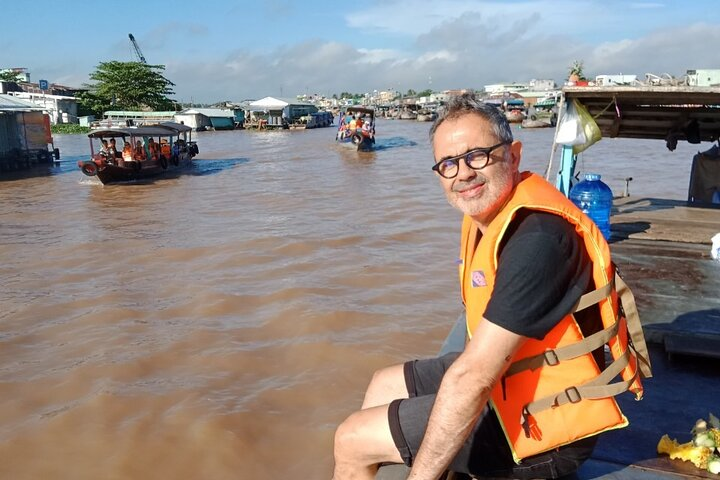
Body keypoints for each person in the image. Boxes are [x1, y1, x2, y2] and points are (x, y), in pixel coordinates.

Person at [332, 93, 649, 480]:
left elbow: (474, 377)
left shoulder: (539, 240)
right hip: (514, 375)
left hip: (546, 433)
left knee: (351, 439)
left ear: (513, 156)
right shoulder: (491, 217)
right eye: (448, 164)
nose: (462, 173)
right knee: (383, 382)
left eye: (477, 155)